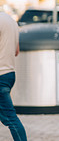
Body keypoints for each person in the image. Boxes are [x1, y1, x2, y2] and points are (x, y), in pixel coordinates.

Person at [0, 11, 27, 141]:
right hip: (9, 74)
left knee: (10, 118)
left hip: (0, 75)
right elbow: (16, 51)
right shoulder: (11, 21)